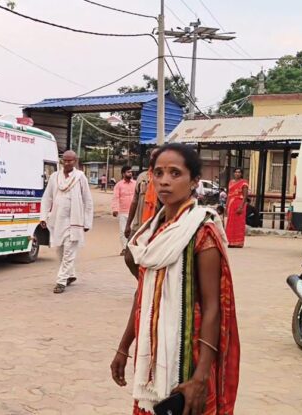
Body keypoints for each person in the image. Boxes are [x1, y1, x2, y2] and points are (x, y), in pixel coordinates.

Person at [111, 143, 240, 415]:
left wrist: (201, 376)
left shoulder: (201, 232)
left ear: (194, 181)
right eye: (158, 173)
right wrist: (124, 348)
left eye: (175, 173)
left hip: (189, 357)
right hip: (152, 355)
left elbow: (213, 307)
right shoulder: (150, 234)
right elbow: (143, 295)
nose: (164, 181)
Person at [40, 150, 94, 294]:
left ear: (75, 161)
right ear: (61, 161)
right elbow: (47, 198)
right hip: (58, 220)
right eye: (65, 160)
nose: (67, 163)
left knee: (69, 251)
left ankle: (61, 281)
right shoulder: (54, 177)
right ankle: (70, 275)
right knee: (60, 250)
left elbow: (87, 200)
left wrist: (87, 222)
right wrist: (43, 217)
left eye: (70, 160)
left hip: (74, 221)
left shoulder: (80, 177)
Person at [124, 149, 160, 241]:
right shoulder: (142, 177)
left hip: (156, 229)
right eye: (153, 156)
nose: (155, 158)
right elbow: (135, 201)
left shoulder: (165, 179)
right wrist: (128, 224)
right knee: (129, 255)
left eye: (158, 155)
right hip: (138, 226)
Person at [112, 166, 136, 255]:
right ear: (123, 174)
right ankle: (124, 248)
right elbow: (115, 197)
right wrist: (115, 209)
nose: (130, 173)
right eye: (128, 172)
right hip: (123, 212)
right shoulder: (119, 185)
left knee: (134, 230)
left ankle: (132, 248)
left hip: (134, 212)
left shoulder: (135, 184)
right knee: (123, 231)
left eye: (131, 172)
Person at [225, 168, 249, 248]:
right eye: (236, 172)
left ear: (241, 174)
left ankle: (239, 243)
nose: (237, 173)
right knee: (231, 223)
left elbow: (245, 196)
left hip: (239, 204)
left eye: (239, 172)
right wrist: (226, 205)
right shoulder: (231, 182)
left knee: (239, 223)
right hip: (231, 205)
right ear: (233, 173)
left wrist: (241, 207)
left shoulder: (244, 183)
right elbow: (229, 194)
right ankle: (231, 242)